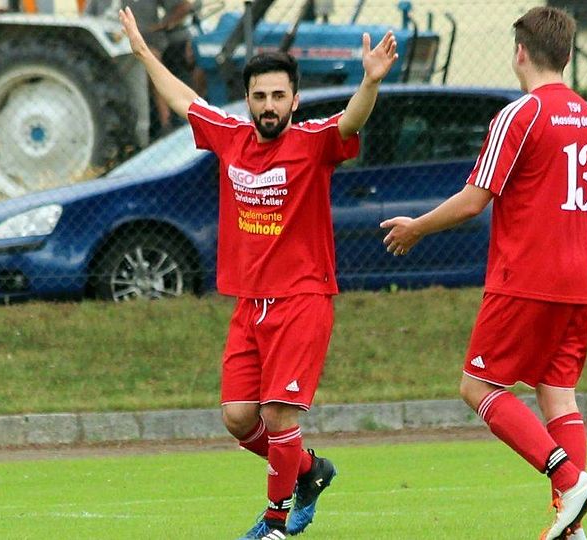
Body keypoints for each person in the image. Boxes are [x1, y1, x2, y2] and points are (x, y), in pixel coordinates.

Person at [119, 7, 397, 539]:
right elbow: (184, 100)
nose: (269, 105)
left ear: (294, 99)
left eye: (278, 96)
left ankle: (274, 524)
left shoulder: (312, 143)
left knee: (278, 417)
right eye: (260, 96)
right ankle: (309, 470)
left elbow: (350, 121)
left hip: (302, 300)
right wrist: (143, 52)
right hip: (250, 303)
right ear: (247, 100)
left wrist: (370, 82)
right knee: (239, 418)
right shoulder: (231, 138)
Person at [381, 7, 587, 540]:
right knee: (558, 394)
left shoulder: (521, 114)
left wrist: (416, 227)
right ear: (566, 55)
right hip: (579, 279)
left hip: (528, 276)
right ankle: (572, 528)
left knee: (477, 385)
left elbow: (473, 200)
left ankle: (569, 481)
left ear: (520, 52)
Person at [91, 0, 194, 135]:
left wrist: (162, 24)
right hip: (108, 48)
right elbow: (88, 18)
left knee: (153, 61)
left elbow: (183, 6)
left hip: (146, 43)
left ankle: (166, 124)